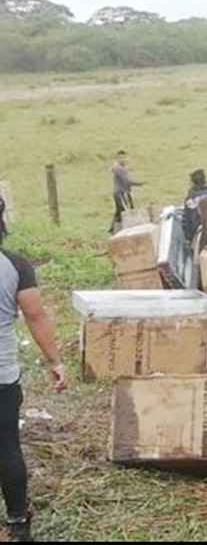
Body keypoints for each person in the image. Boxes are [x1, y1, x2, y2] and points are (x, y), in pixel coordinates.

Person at [0, 204, 68, 543]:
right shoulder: (15, 265)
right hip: (2, 377)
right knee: (7, 447)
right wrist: (56, 362)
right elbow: (36, 315)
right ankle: (17, 522)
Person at [108, 150, 145, 234]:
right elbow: (126, 181)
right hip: (121, 193)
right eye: (121, 158)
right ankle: (128, 230)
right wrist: (139, 183)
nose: (124, 159)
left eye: (125, 157)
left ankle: (113, 229)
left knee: (119, 211)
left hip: (120, 192)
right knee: (127, 211)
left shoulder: (120, 168)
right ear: (117, 158)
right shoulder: (119, 169)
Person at [183, 168, 207, 241]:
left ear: (192, 182)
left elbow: (187, 223)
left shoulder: (190, 199)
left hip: (196, 236)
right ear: (205, 180)